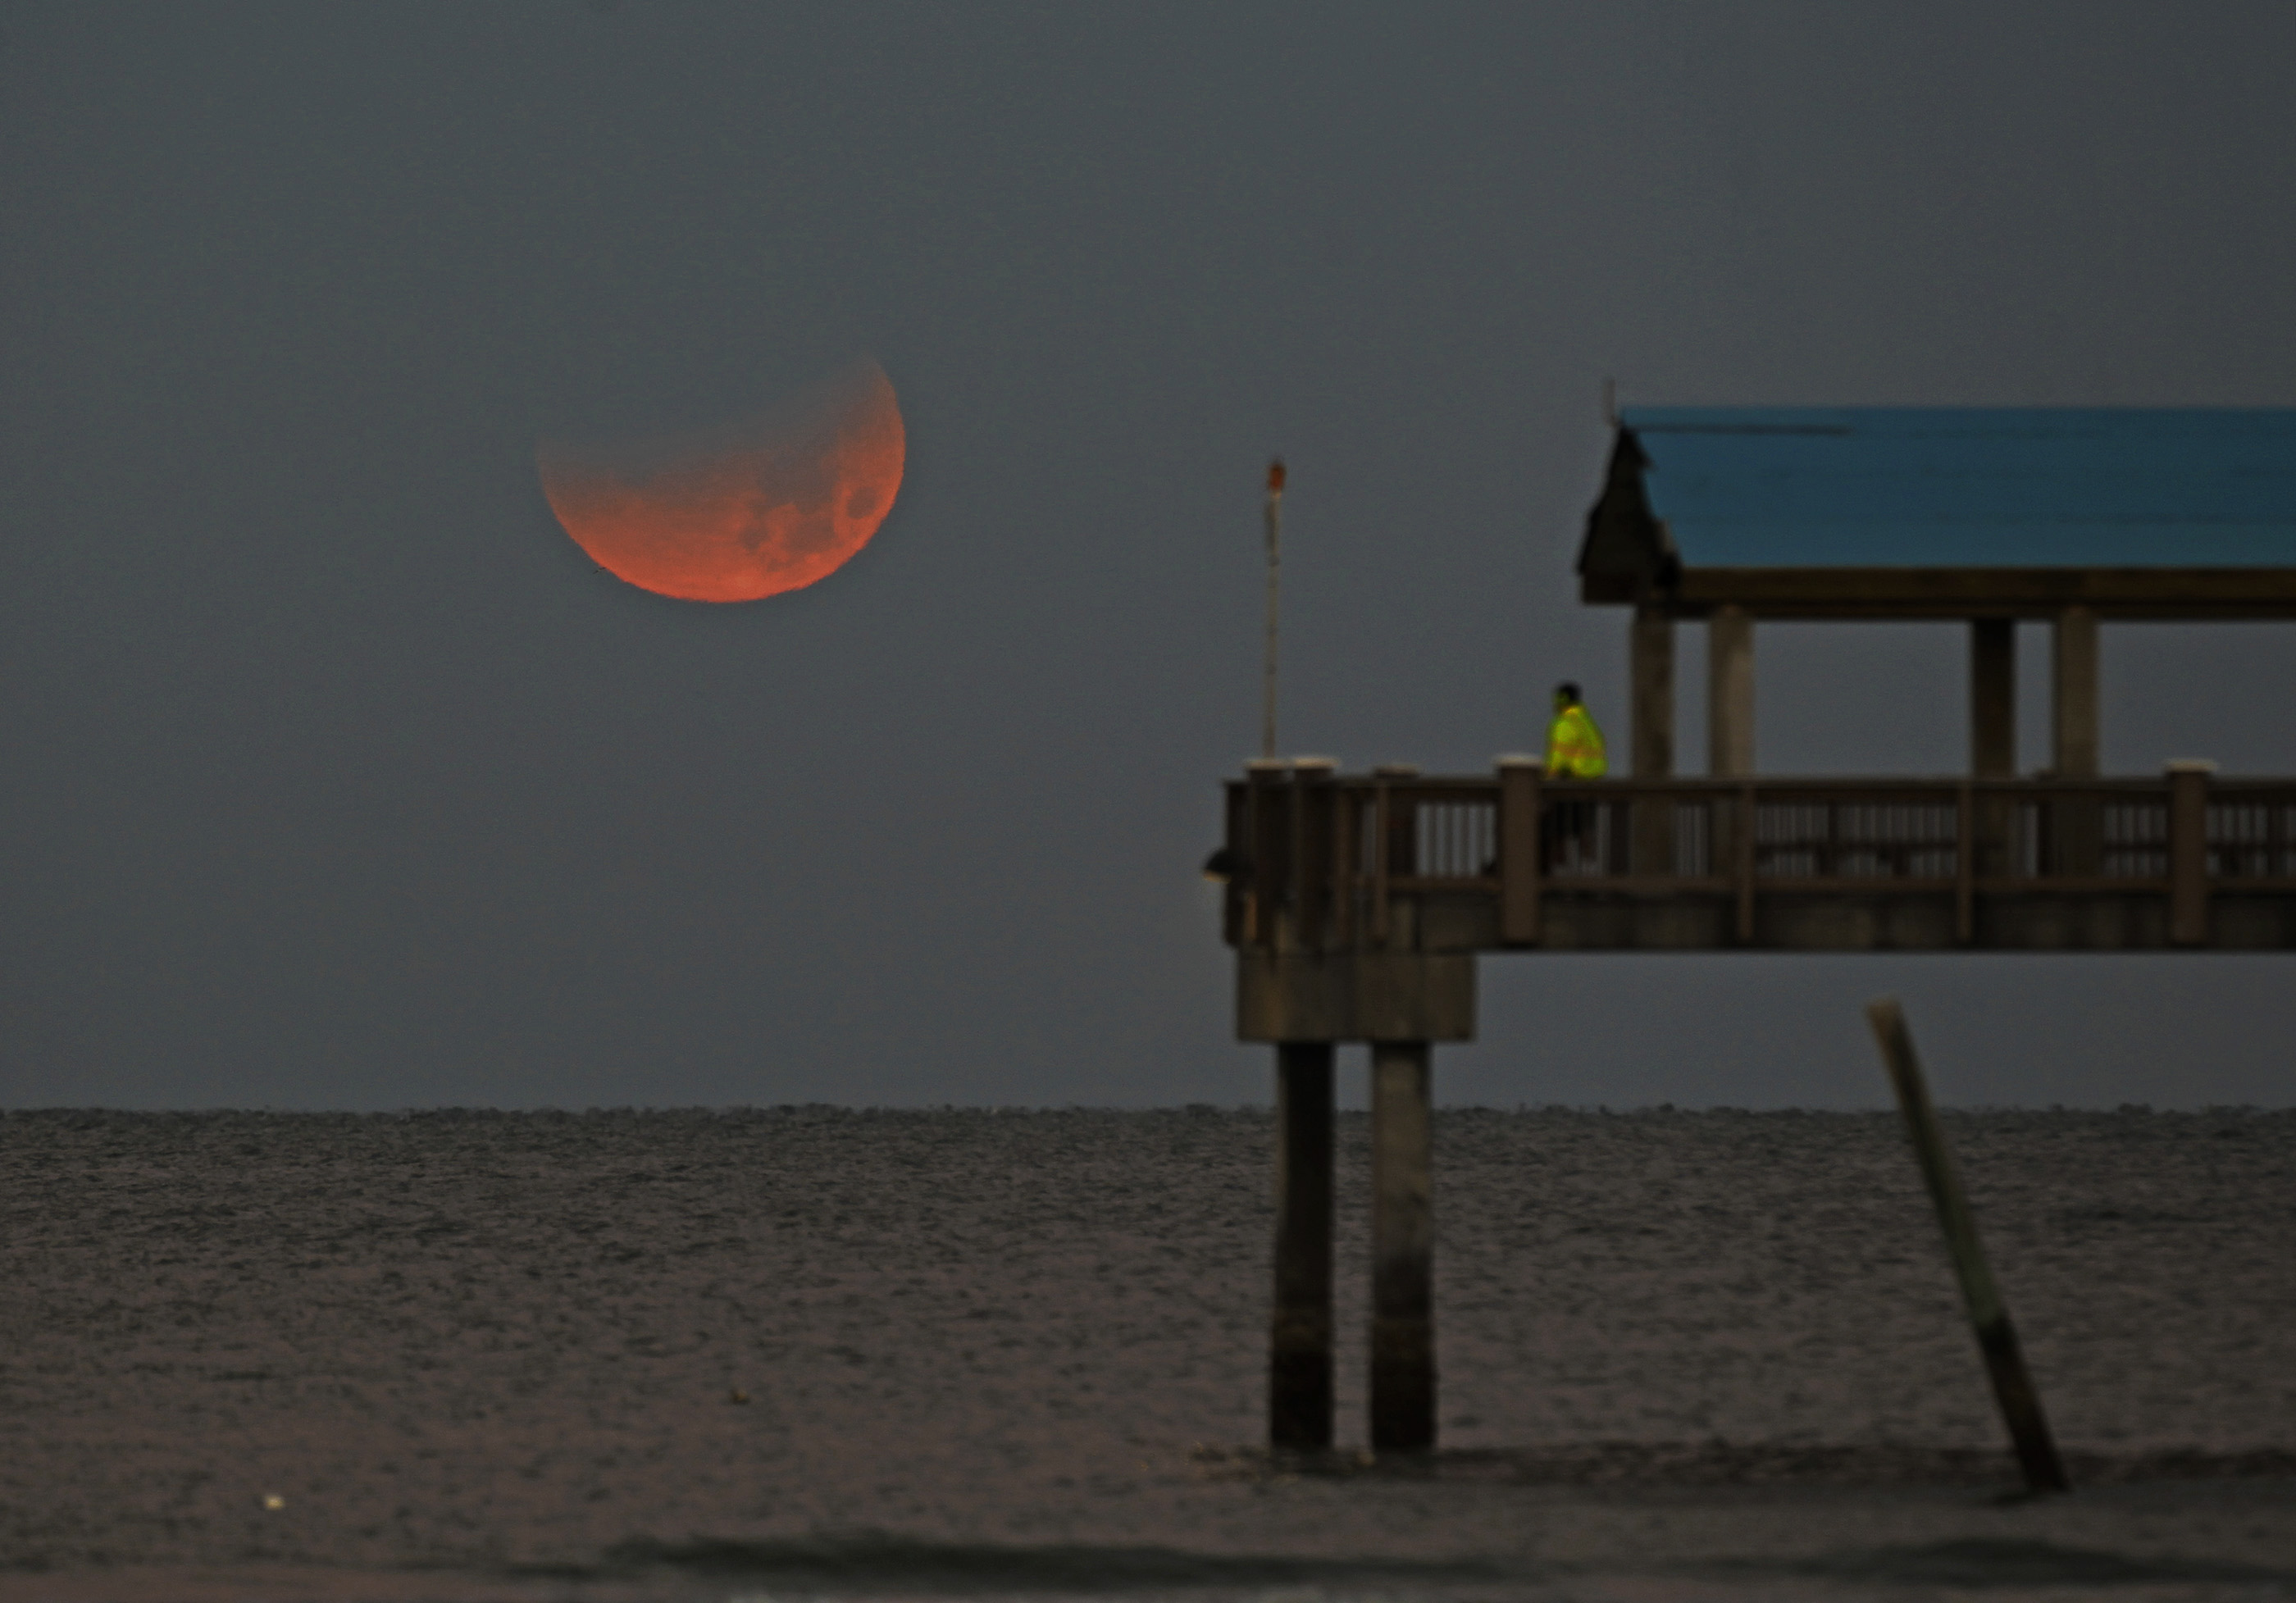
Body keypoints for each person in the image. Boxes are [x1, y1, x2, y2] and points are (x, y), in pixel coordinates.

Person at [1544, 682, 1607, 868]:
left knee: (1559, 833)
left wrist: (1547, 783)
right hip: (1590, 786)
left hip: (1568, 785)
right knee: (1585, 833)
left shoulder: (1564, 723)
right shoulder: (1587, 722)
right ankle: (1589, 874)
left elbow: (1558, 759)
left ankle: (1561, 877)